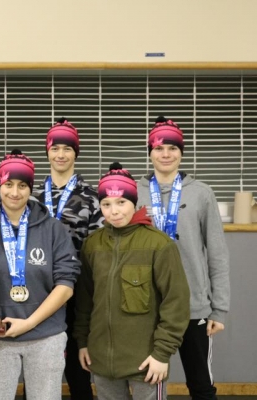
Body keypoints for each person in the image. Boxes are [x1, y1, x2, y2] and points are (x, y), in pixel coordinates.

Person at [74, 162, 190, 400]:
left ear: (134, 202)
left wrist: (161, 354)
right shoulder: (92, 245)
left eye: (121, 202)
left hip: (146, 362)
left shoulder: (160, 245)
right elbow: (84, 300)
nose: (113, 211)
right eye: (106, 204)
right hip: (102, 360)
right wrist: (83, 342)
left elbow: (176, 303)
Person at [0, 149, 80, 400]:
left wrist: (30, 323)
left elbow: (66, 284)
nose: (14, 192)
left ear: (31, 188)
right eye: (8, 184)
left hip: (46, 336)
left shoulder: (53, 228)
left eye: (22, 185)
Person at [136, 117, 230, 400]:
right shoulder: (135, 192)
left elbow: (217, 253)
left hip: (194, 306)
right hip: (148, 305)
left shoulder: (201, 193)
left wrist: (219, 309)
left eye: (173, 148)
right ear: (150, 152)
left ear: (181, 152)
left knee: (201, 385)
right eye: (159, 147)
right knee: (151, 385)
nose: (166, 154)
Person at [34, 118, 103, 400]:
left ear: (76, 153)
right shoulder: (33, 196)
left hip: (76, 290)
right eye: (55, 148)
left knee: (77, 370)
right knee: (37, 369)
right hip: (37, 291)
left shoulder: (92, 197)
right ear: (47, 152)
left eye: (67, 148)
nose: (60, 154)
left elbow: (97, 248)